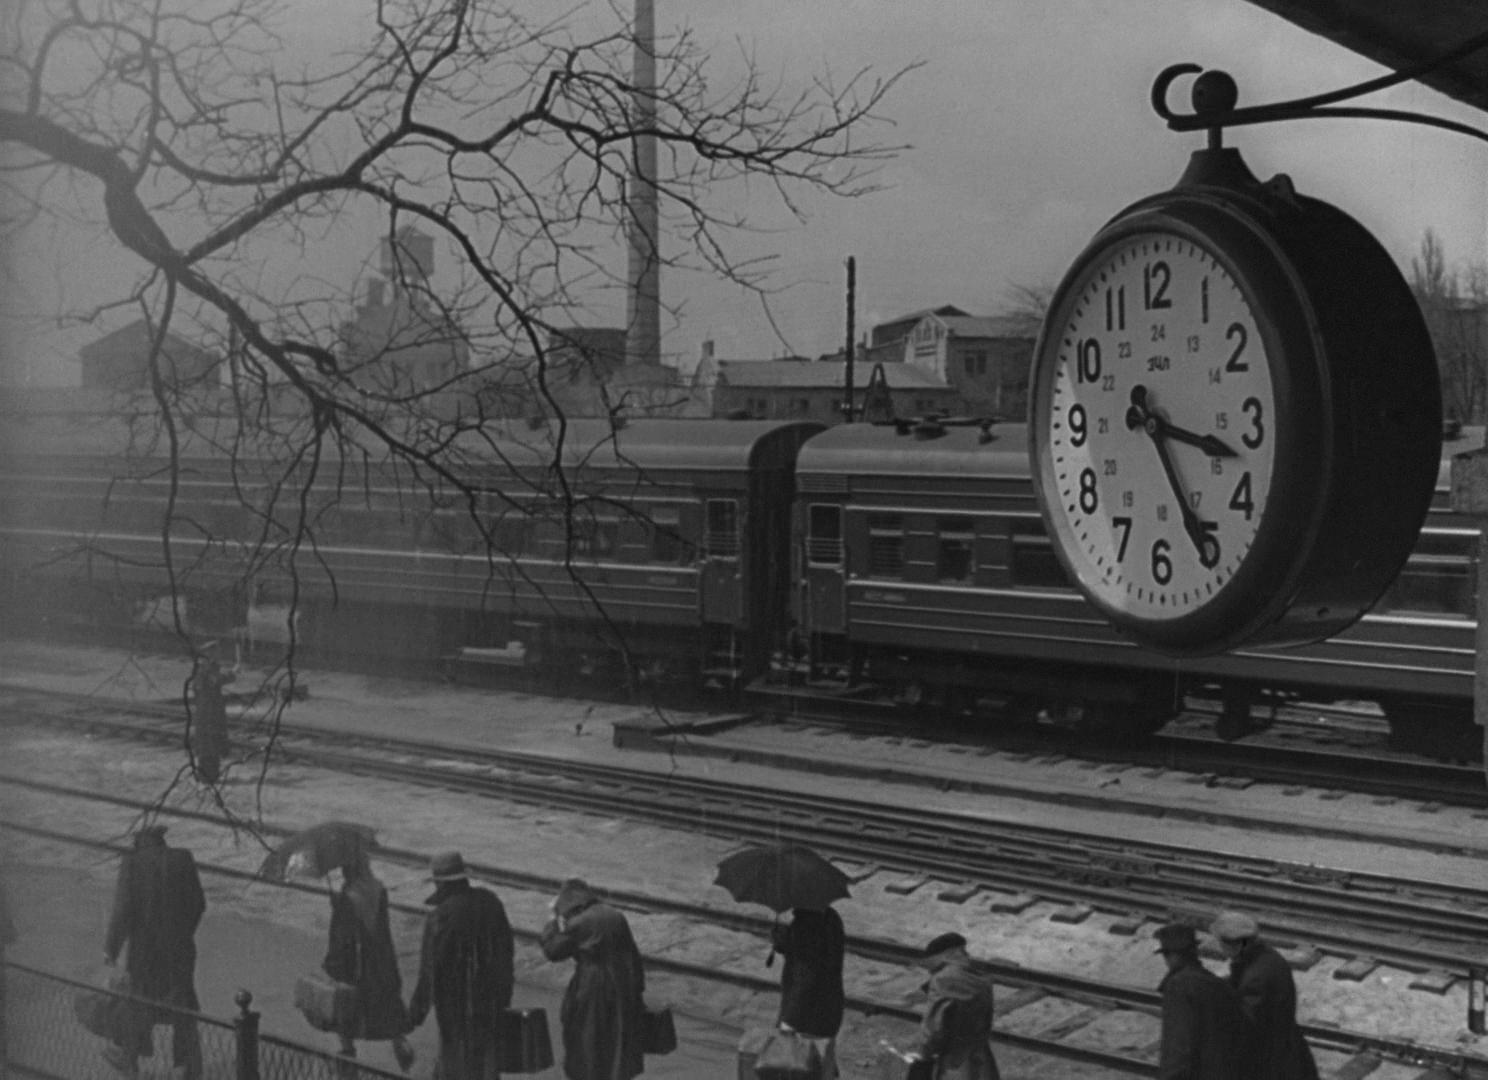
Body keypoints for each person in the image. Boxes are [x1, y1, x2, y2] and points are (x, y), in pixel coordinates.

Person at [102, 824, 206, 1080]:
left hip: (145, 951)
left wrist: (111, 948)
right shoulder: (183, 858)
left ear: (140, 841)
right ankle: (185, 1067)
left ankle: (129, 1059)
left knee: (139, 1002)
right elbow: (198, 903)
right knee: (183, 1003)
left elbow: (123, 910)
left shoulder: (132, 862)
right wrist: (183, 933)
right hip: (180, 949)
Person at [408, 851, 515, 1080]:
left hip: (455, 1013)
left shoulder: (439, 918)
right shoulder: (491, 903)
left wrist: (415, 1015)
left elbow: (429, 974)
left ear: (440, 883)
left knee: (456, 1067)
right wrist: (504, 999)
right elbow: (507, 955)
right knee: (486, 1067)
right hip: (490, 1007)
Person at [538, 878, 646, 1080]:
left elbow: (553, 951)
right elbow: (633, 955)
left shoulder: (580, 922)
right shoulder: (615, 915)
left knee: (586, 1040)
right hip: (622, 984)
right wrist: (637, 992)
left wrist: (554, 921)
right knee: (616, 1042)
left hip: (592, 985)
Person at [323, 852, 415, 1072]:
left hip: (355, 962)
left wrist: (337, 908)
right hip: (381, 957)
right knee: (389, 1006)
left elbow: (343, 936)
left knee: (345, 1011)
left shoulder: (348, 896)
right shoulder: (379, 890)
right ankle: (403, 1051)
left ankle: (348, 1058)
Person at [1211, 911, 1320, 1080]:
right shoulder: (1265, 956)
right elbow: (1240, 982)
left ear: (1237, 945)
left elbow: (1244, 1024)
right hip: (1286, 1049)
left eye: (1221, 944)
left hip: (1271, 1063)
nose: (1220, 948)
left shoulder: (1256, 977)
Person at [1154, 922, 1258, 1080]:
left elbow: (1178, 1044)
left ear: (1171, 955)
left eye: (1166, 956)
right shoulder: (1215, 983)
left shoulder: (1179, 986)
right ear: (1194, 951)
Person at [905, 932, 1000, 1080]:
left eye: (932, 965)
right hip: (983, 1061)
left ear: (946, 955)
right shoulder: (982, 978)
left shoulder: (942, 980)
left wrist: (922, 1057)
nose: (931, 971)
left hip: (954, 1064)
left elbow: (934, 1028)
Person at [770, 905, 845, 1079]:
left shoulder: (807, 925)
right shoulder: (831, 917)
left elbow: (806, 975)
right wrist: (786, 940)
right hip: (829, 1011)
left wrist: (789, 1021)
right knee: (823, 1067)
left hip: (807, 1017)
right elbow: (821, 959)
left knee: (802, 1069)